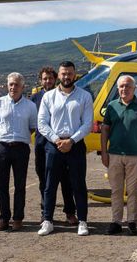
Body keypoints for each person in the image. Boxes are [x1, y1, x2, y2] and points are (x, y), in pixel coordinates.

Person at [37, 61, 94, 237]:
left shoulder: (84, 96)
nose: (66, 77)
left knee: (78, 184)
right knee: (50, 185)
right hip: (54, 146)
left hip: (75, 145)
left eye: (69, 73)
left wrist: (72, 140)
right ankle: (48, 220)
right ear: (58, 76)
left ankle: (82, 221)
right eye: (63, 73)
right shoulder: (49, 97)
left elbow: (87, 124)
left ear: (75, 74)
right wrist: (56, 140)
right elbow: (42, 123)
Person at [101, 75, 137, 236]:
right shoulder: (111, 106)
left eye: (128, 86)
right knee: (116, 190)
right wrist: (104, 151)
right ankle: (116, 221)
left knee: (133, 191)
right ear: (118, 88)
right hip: (114, 154)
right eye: (122, 86)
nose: (124, 89)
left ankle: (132, 221)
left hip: (135, 155)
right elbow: (105, 130)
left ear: (134, 88)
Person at [0, 72, 37, 231]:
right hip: (2, 146)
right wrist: (3, 138)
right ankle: (3, 218)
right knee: (1, 184)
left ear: (23, 87)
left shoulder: (30, 106)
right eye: (10, 84)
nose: (13, 87)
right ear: (7, 85)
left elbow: (32, 127)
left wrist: (19, 137)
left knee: (20, 185)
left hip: (21, 148)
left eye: (16, 84)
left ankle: (18, 219)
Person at [32, 67, 76, 225]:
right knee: (44, 180)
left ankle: (70, 212)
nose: (47, 81)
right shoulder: (35, 98)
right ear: (40, 80)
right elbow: (33, 121)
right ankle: (45, 213)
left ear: (55, 79)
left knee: (66, 180)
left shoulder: (62, 96)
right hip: (41, 145)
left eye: (50, 78)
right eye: (44, 78)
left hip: (60, 144)